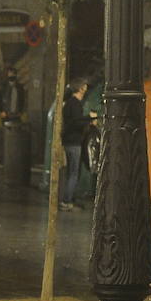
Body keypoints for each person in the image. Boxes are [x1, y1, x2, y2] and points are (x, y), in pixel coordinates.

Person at [59, 79, 89, 211]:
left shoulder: (70, 103)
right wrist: (90, 119)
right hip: (74, 141)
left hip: (68, 141)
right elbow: (77, 122)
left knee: (71, 171)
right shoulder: (75, 104)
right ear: (80, 89)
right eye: (84, 86)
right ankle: (66, 201)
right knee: (74, 172)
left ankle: (69, 197)